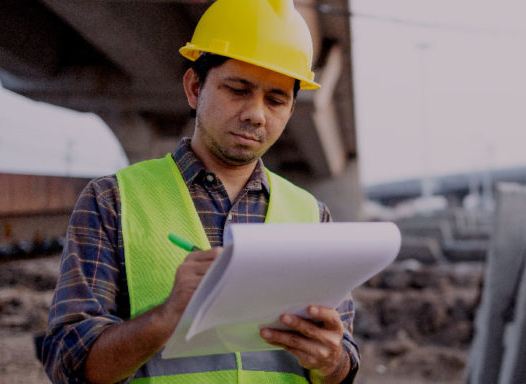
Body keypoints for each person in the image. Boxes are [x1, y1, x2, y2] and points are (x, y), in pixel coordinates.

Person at [41, 1, 359, 383]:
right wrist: (166, 317)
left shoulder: (312, 216)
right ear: (195, 88)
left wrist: (331, 361)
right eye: (238, 89)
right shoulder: (112, 201)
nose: (256, 114)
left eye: (276, 100)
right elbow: (68, 365)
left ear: (291, 110)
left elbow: (344, 364)